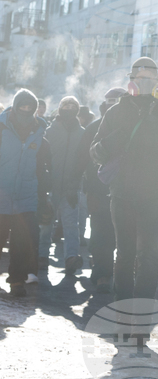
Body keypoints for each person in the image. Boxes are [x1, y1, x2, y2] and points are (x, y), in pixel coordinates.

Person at [91, 57, 158, 301]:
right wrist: (114, 140)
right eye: (140, 78)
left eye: (150, 78)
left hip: (157, 194)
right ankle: (123, 307)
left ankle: (143, 309)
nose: (145, 82)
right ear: (132, 81)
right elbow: (95, 151)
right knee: (125, 254)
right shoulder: (117, 111)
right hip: (122, 194)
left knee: (148, 254)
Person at [0, 90, 51, 297]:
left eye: (30, 107)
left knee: (22, 242)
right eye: (22, 106)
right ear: (15, 106)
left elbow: (42, 169)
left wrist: (43, 198)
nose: (26, 110)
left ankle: (17, 280)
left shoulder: (39, 132)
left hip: (26, 197)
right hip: (1, 194)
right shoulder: (1, 128)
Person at [80, 87, 127, 294]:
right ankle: (103, 275)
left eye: (118, 101)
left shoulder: (138, 127)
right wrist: (84, 190)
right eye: (110, 101)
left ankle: (123, 277)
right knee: (101, 235)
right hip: (99, 191)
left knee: (125, 237)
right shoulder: (94, 128)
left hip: (129, 191)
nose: (113, 104)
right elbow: (82, 160)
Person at [40, 96, 86, 276]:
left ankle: (71, 257)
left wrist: (77, 181)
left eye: (73, 106)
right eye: (65, 106)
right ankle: (42, 255)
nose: (69, 109)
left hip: (71, 186)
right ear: (59, 109)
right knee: (45, 222)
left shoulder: (82, 133)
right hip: (50, 184)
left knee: (71, 223)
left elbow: (83, 160)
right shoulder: (49, 131)